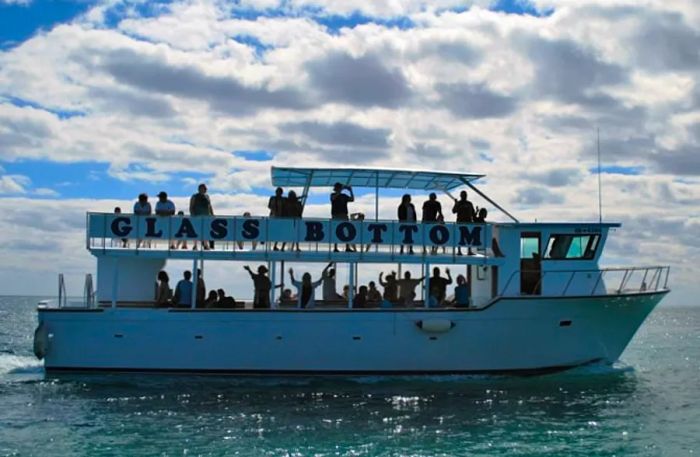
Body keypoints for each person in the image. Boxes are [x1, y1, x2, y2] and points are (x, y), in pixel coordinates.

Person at [330, 182, 354, 252]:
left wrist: (350, 191)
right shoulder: (333, 195)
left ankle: (347, 247)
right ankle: (335, 247)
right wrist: (339, 191)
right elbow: (333, 198)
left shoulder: (344, 196)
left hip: (344, 215)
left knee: (347, 230)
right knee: (336, 230)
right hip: (335, 215)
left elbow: (352, 199)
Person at [189, 183, 213, 250]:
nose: (205, 190)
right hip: (197, 217)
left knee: (206, 231)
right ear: (199, 189)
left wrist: (212, 214)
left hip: (206, 217)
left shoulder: (207, 196)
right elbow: (191, 206)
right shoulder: (194, 196)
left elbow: (210, 206)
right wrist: (193, 215)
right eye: (203, 188)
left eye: (205, 188)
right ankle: (195, 245)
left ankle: (205, 245)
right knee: (196, 231)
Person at [452, 190, 476, 256]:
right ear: (461, 196)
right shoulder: (458, 203)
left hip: (469, 222)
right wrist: (455, 204)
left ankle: (469, 250)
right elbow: (453, 211)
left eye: (465, 195)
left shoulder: (469, 203)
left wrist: (475, 220)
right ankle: (459, 251)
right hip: (460, 222)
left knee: (469, 237)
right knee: (460, 237)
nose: (464, 196)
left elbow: (473, 214)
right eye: (463, 195)